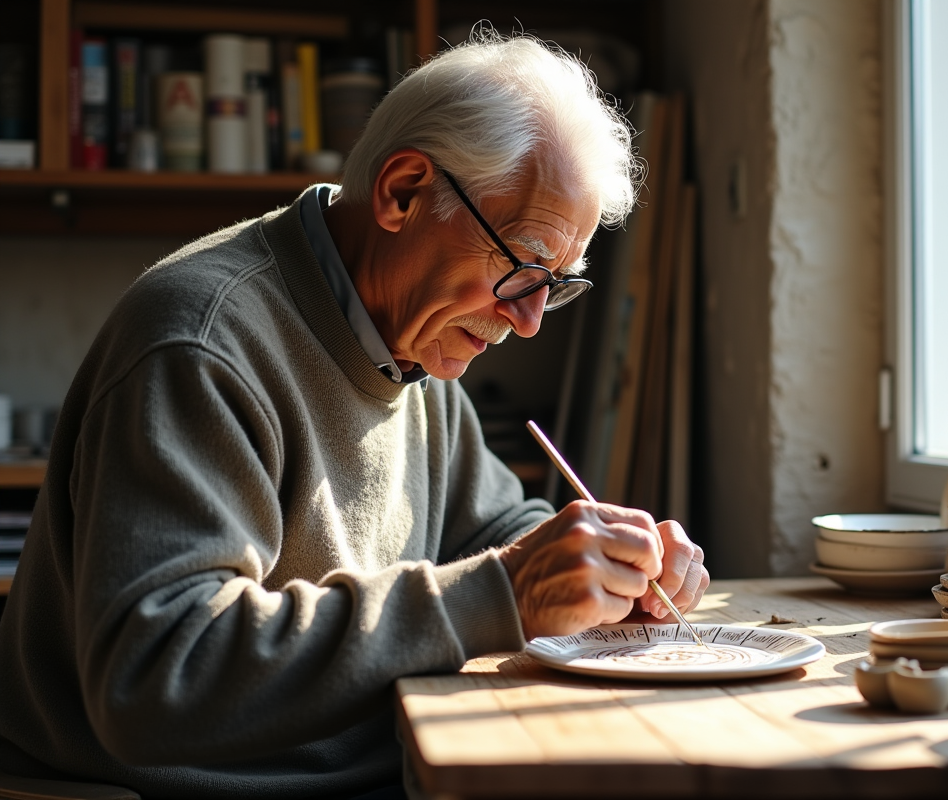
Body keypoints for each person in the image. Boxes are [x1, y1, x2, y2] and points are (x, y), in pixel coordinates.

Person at [0, 31, 708, 799]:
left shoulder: (412, 341)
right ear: (404, 192)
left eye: (558, 282)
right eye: (523, 266)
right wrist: (503, 593)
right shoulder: (200, 345)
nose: (532, 318)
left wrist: (601, 568)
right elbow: (155, 678)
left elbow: (490, 532)